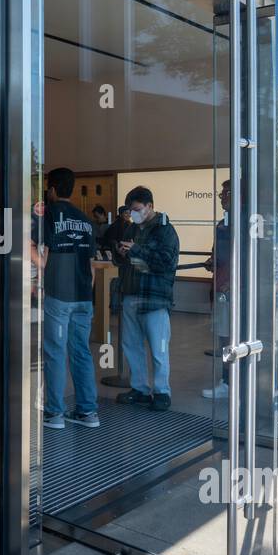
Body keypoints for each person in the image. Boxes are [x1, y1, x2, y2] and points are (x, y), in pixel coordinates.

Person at [32, 167, 99, 429]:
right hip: (84, 296)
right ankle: (87, 412)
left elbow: (44, 255)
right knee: (81, 352)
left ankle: (55, 414)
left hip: (59, 295)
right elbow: (91, 265)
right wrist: (86, 293)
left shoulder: (49, 216)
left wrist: (39, 273)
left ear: (52, 189)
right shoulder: (85, 220)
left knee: (55, 353)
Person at [114, 186, 179, 411]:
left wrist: (136, 250)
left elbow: (165, 261)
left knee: (159, 347)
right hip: (131, 294)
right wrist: (122, 252)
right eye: (131, 210)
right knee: (131, 345)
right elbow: (123, 256)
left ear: (150, 206)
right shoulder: (132, 229)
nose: (133, 214)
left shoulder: (165, 230)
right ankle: (140, 388)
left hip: (154, 298)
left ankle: (162, 391)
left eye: (137, 209)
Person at [202, 179, 232, 401]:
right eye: (222, 193)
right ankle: (227, 380)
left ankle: (232, 381)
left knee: (232, 337)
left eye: (226, 193)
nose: (221, 197)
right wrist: (212, 261)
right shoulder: (223, 224)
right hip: (221, 288)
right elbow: (218, 254)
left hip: (233, 290)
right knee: (224, 337)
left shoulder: (243, 223)